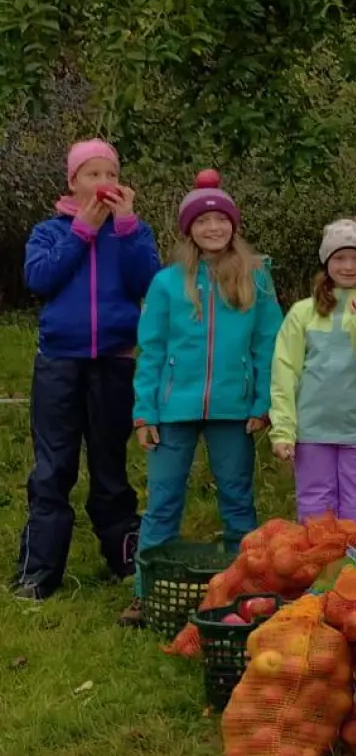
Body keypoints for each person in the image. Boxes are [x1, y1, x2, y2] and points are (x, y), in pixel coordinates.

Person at [124, 171, 283, 627]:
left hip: (235, 410)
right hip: (172, 411)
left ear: (234, 226)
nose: (213, 228)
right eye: (203, 221)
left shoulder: (257, 277)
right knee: (163, 501)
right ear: (188, 229)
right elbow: (151, 349)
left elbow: (268, 343)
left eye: (221, 220)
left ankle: (244, 594)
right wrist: (144, 412)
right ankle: (146, 592)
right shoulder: (167, 283)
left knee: (237, 500)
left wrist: (263, 401)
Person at [15, 140, 162, 601]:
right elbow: (40, 280)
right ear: (73, 182)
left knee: (109, 464)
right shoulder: (48, 231)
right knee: (54, 466)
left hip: (116, 359)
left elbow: (148, 284)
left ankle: (124, 560)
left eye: (110, 175)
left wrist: (128, 227)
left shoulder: (131, 231)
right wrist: (80, 232)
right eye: (92, 175)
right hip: (59, 361)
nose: (103, 184)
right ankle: (38, 572)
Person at [269, 220, 356, 532]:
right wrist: (283, 429)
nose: (348, 266)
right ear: (326, 261)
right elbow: (285, 372)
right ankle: (318, 577)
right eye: (340, 258)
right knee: (315, 510)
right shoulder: (303, 312)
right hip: (312, 432)